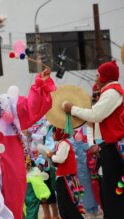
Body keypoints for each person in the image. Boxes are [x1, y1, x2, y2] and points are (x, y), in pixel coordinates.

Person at [0, 61, 55, 219]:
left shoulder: (8, 104)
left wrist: (39, 84)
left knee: (13, 207)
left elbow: (31, 108)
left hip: (13, 164)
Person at [63, 60, 124, 218]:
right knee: (108, 190)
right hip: (106, 148)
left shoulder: (112, 92)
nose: (96, 77)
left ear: (105, 76)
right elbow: (93, 123)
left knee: (113, 192)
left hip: (113, 148)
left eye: (98, 74)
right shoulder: (109, 92)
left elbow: (95, 115)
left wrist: (72, 109)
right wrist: (92, 144)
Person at [46, 128, 85, 219]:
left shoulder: (63, 143)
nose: (52, 136)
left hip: (65, 179)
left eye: (54, 133)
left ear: (59, 133)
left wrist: (51, 156)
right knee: (66, 206)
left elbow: (60, 159)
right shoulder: (61, 143)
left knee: (67, 206)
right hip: (65, 178)